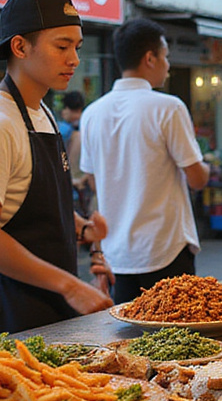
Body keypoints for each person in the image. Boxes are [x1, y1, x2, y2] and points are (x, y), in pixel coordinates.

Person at [0, 0, 113, 336]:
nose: (73, 59)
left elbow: (30, 204)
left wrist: (83, 228)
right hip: (6, 309)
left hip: (48, 301)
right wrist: (72, 286)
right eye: (62, 46)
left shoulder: (41, 111)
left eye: (77, 47)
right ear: (19, 46)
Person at [79, 18, 210, 305]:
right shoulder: (168, 107)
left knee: (126, 341)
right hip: (165, 249)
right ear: (149, 58)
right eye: (165, 57)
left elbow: (92, 182)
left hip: (118, 255)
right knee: (175, 342)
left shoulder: (92, 113)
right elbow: (197, 179)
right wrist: (206, 165)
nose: (168, 65)